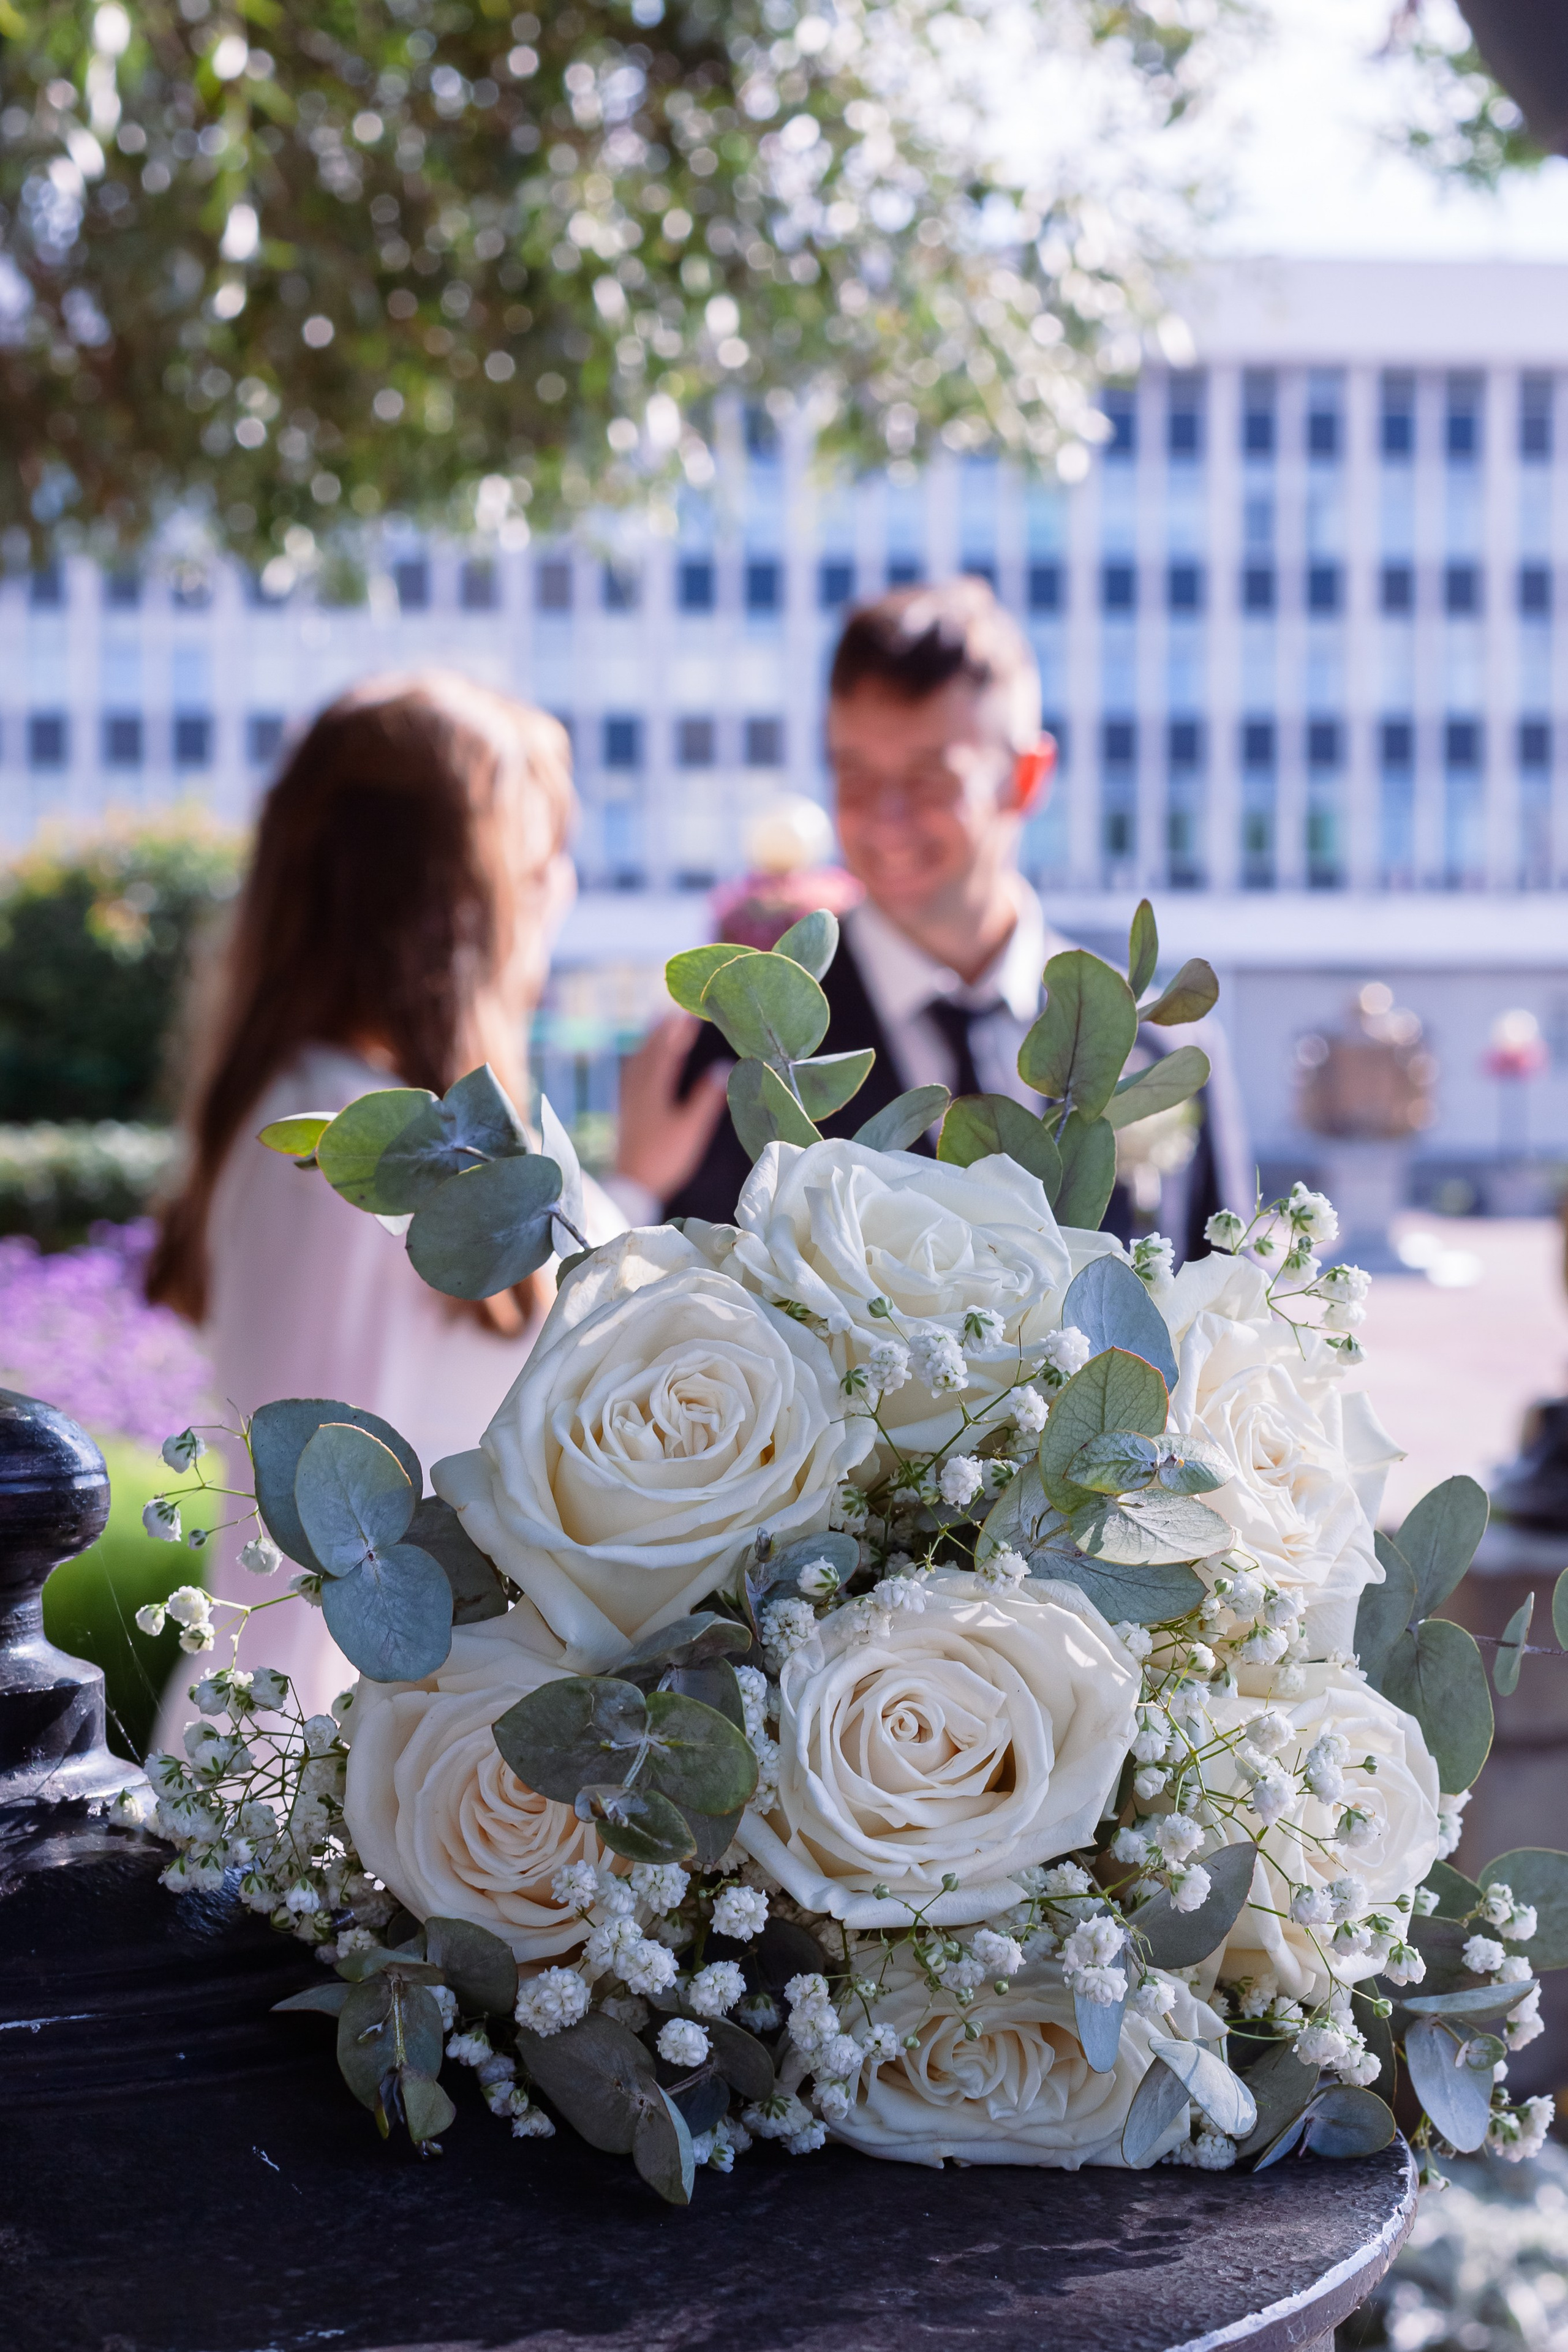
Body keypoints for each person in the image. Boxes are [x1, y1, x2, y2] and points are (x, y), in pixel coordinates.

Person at [145, 672, 622, 1735]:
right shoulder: (333, 1151)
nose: (563, 890)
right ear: (455, 895)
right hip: (346, 1799)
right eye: (539, 860)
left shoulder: (372, 1131)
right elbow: (311, 1555)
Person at [615, 577, 1250, 1252]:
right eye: (853, 775)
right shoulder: (733, 1063)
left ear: (1026, 778)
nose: (886, 822)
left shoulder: (1161, 1055)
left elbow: (1228, 1319)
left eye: (929, 779)